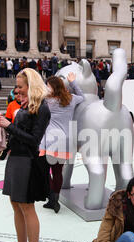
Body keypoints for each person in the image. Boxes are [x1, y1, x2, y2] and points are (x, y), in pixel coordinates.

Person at [0, 68, 51, 242]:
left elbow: (34, 140)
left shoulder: (42, 108)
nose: (16, 91)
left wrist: (9, 125)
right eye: (16, 88)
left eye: (19, 87)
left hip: (28, 161)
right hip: (16, 158)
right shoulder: (25, 106)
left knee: (26, 206)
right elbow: (18, 134)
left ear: (31, 86)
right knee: (15, 203)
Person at [41, 73, 84, 213]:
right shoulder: (71, 99)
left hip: (51, 139)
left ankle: (51, 198)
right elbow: (82, 96)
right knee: (58, 171)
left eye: (48, 86)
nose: (46, 89)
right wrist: (73, 82)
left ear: (53, 87)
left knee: (44, 169)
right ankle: (55, 199)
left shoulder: (48, 101)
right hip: (66, 140)